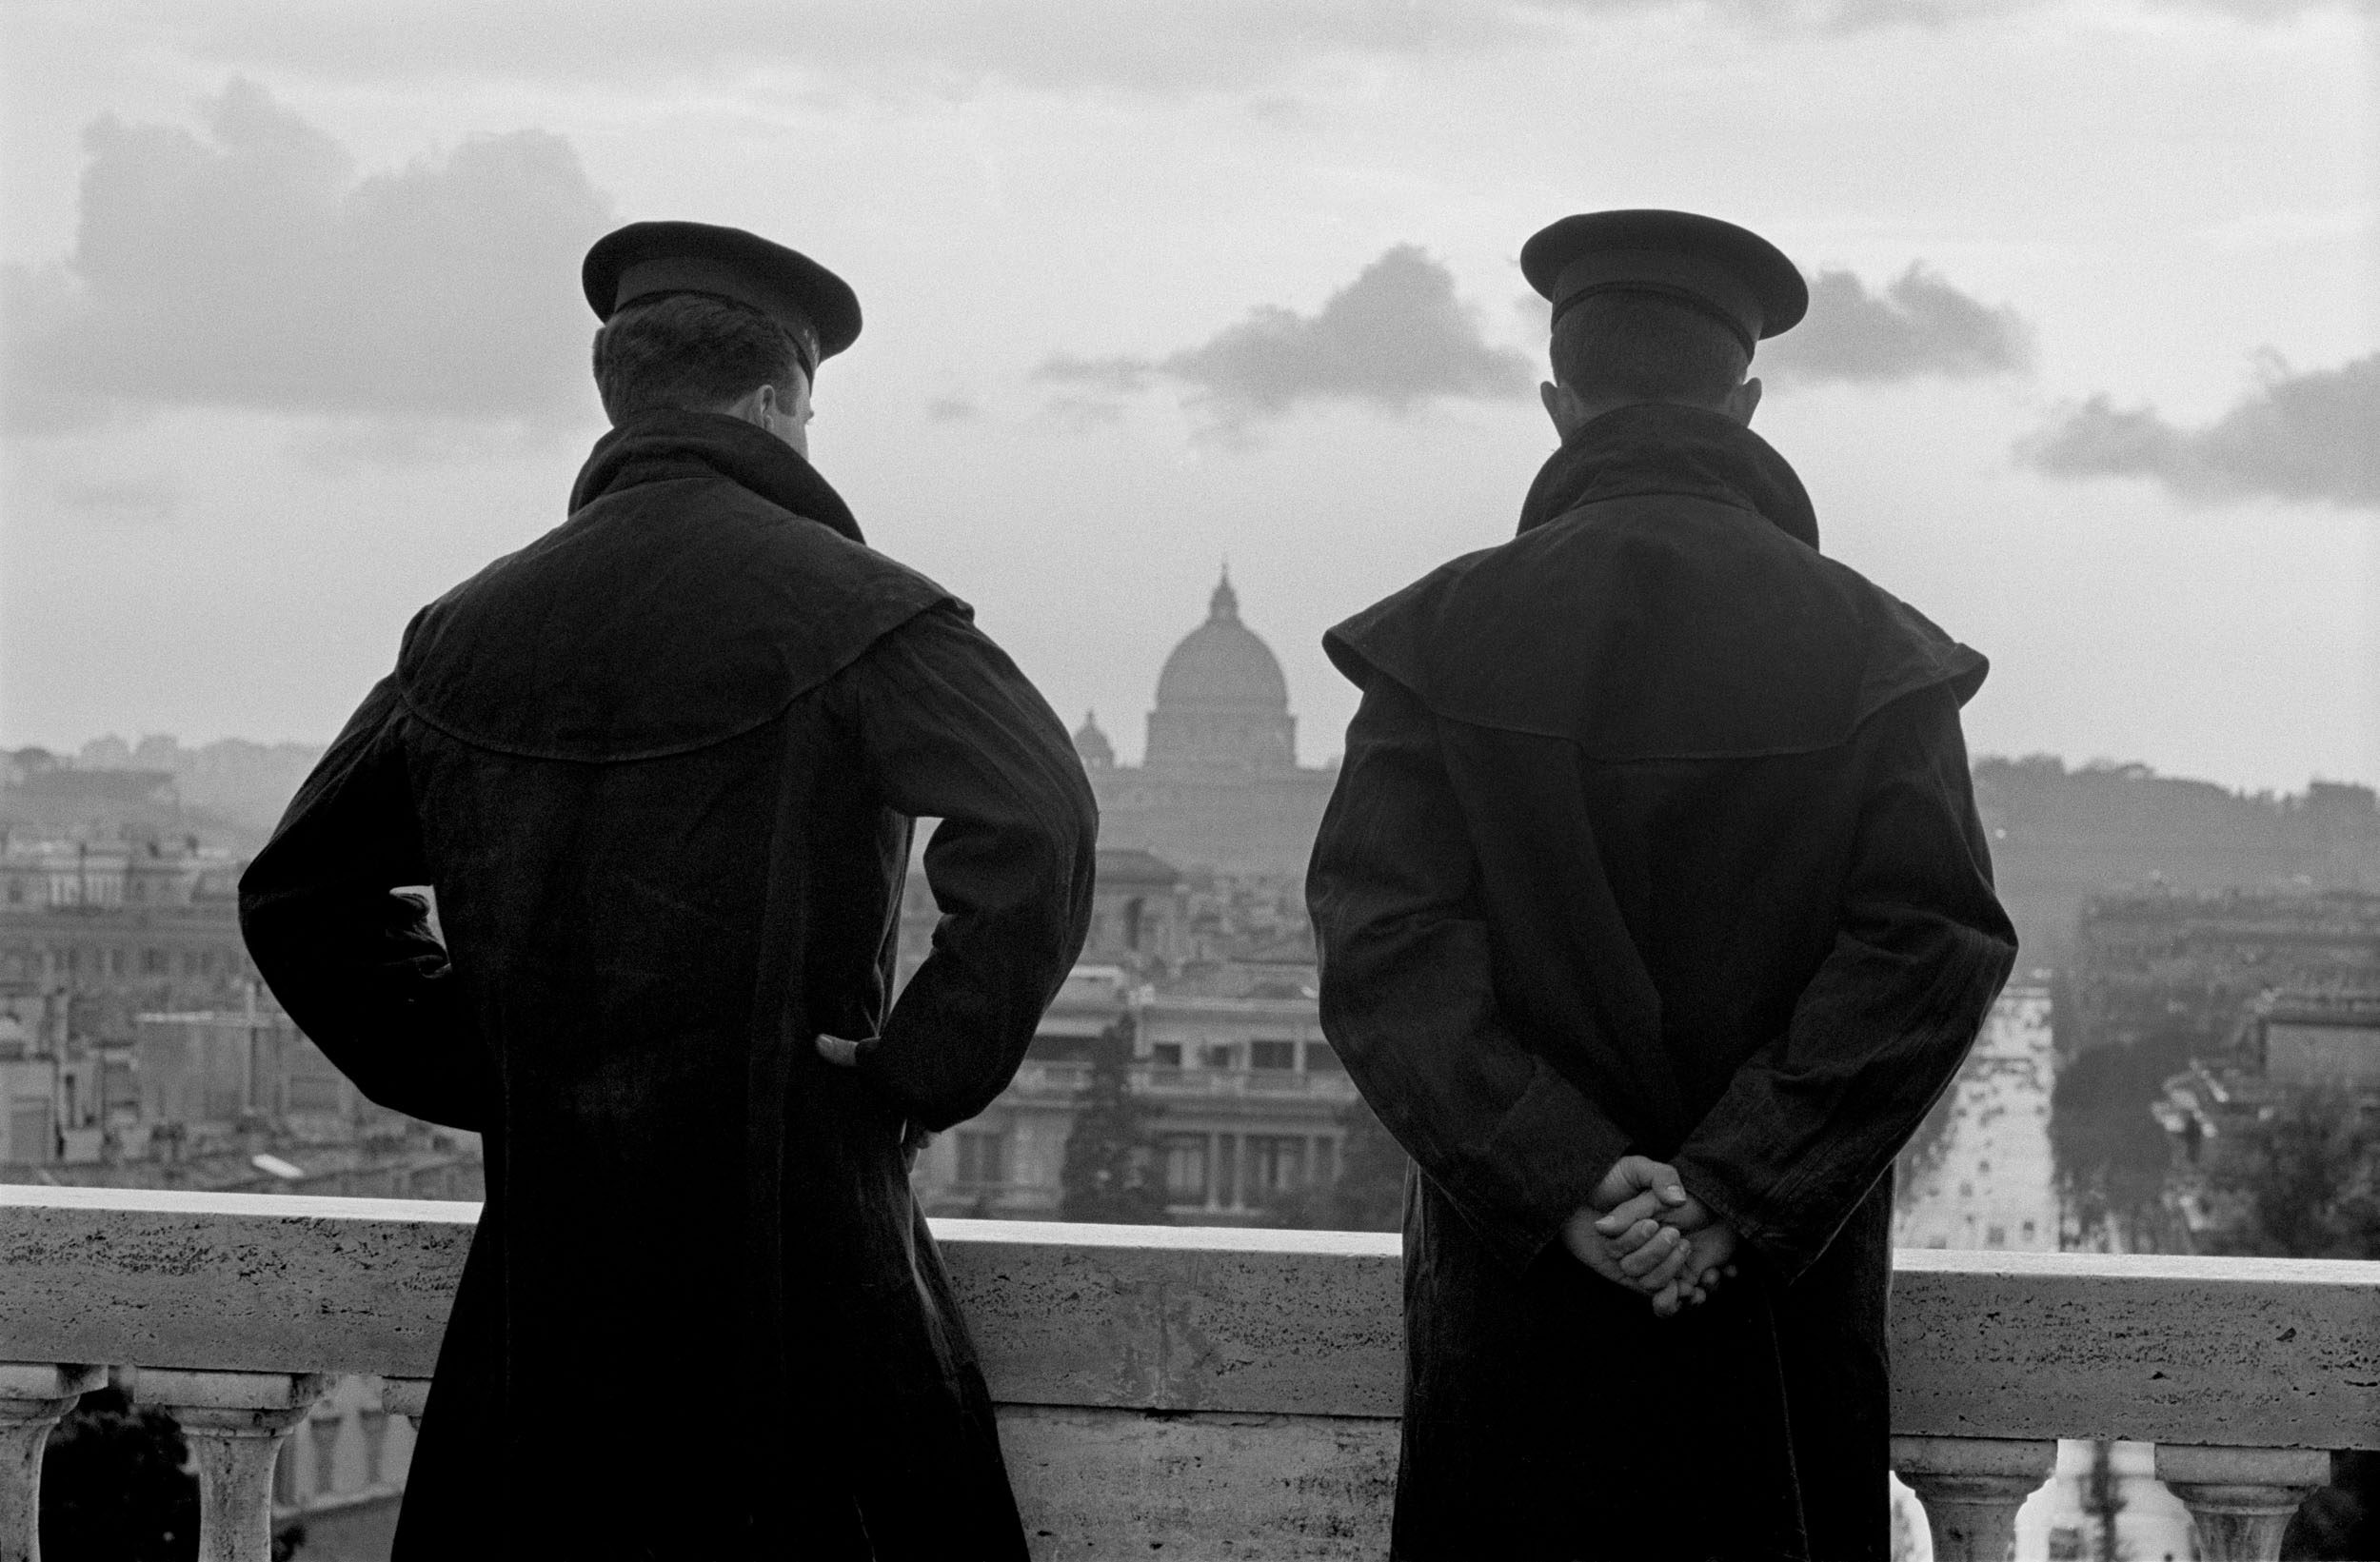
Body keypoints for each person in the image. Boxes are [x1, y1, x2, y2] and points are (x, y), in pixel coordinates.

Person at [241, 220, 1096, 1559]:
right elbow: (1041, 815)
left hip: (549, 1297)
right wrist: (912, 1068)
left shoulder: (462, 632)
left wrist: (494, 1060)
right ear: (770, 404)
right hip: (804, 1272)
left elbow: (300, 896)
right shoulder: (861, 611)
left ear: (620, 402)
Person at [1306, 208, 2017, 1562]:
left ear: (1558, 406)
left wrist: (1567, 1182)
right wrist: (1734, 1190)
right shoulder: (1878, 651)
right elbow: (1934, 946)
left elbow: (1383, 955)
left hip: (1518, 1297)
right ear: (1743, 406)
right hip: (1773, 1301)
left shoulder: (1437, 641)